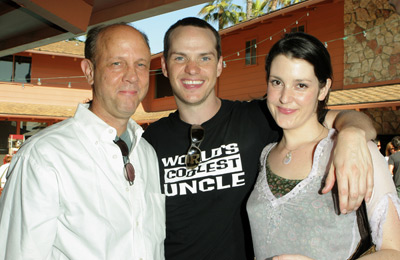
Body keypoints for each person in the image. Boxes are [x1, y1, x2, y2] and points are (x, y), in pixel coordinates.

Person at [143, 17, 376, 260]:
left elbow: (345, 118)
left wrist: (351, 135)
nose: (192, 68)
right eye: (180, 57)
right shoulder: (150, 141)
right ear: (165, 66)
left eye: (205, 57)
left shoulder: (260, 117)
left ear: (220, 65)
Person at [0, 23, 165, 259]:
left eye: (141, 64)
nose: (132, 76)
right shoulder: (44, 157)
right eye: (117, 63)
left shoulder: (147, 153)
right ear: (89, 70)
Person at [246, 32, 400, 260]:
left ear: (323, 88)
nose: (285, 97)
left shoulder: (354, 148)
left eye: (301, 85)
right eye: (277, 82)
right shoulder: (264, 154)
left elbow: (394, 250)